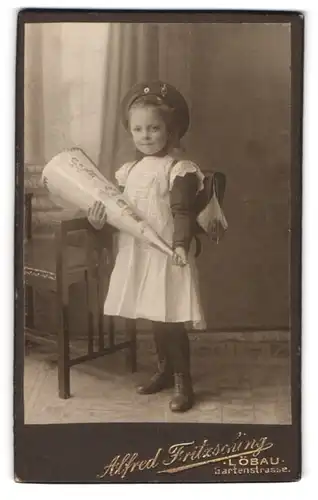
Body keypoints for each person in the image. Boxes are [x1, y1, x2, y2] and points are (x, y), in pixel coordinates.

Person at [88, 81, 206, 412]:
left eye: (154, 128)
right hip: (139, 252)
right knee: (155, 315)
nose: (145, 135)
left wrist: (180, 245)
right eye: (138, 129)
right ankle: (165, 370)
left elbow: (182, 211)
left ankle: (184, 380)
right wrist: (100, 220)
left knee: (170, 317)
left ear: (171, 130)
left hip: (167, 253)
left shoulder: (178, 169)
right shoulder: (129, 172)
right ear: (130, 132)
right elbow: (120, 213)